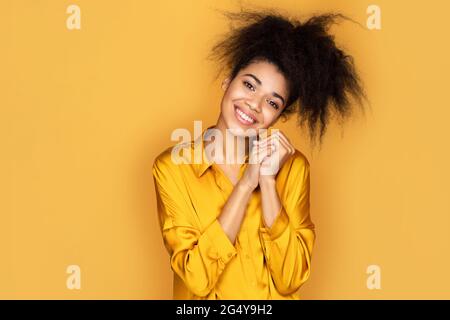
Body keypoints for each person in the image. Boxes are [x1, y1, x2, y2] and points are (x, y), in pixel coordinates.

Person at [152, 9, 367, 299]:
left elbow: (290, 279)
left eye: (272, 102)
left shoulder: (293, 168)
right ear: (227, 82)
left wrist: (267, 182)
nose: (254, 105)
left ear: (279, 116)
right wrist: (245, 184)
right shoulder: (172, 167)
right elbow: (197, 278)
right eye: (249, 85)